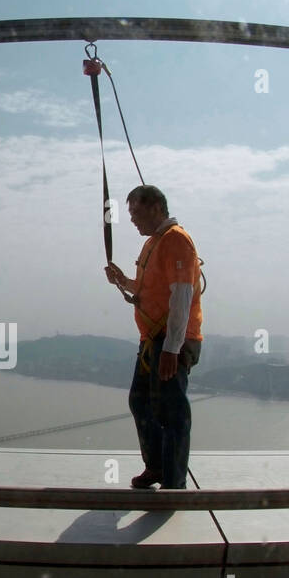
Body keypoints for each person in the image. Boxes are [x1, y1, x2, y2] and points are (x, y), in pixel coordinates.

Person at [104, 185, 203, 490]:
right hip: (154, 340)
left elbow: (182, 297)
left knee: (171, 410)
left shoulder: (176, 241)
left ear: (156, 207)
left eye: (135, 211)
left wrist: (171, 350)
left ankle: (174, 482)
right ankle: (158, 466)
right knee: (141, 401)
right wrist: (123, 281)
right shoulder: (154, 243)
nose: (132, 219)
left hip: (172, 340)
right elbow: (151, 291)